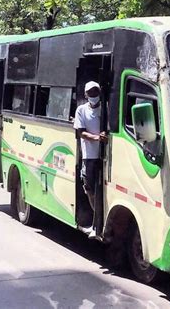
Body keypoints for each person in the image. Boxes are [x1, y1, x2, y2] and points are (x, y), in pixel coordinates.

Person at [74, 81, 107, 238]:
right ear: (86, 95)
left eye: (96, 92)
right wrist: (97, 138)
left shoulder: (106, 109)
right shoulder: (81, 110)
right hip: (89, 156)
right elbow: (81, 132)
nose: (93, 95)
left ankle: (100, 222)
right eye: (91, 93)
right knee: (89, 189)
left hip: (104, 156)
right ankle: (96, 219)